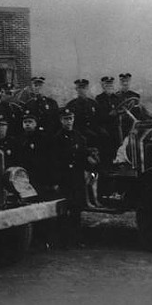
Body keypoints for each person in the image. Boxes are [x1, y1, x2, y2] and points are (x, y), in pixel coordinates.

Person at [52, 107, 90, 249]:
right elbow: (55, 161)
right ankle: (63, 241)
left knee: (76, 210)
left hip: (77, 178)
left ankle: (76, 239)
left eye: (71, 119)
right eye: (66, 119)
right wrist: (56, 181)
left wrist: (87, 170)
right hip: (64, 179)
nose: (69, 122)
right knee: (64, 210)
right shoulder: (57, 138)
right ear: (61, 120)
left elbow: (83, 156)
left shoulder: (79, 137)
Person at [17, 109, 53, 194]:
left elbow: (50, 159)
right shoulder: (19, 139)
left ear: (35, 124)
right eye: (25, 122)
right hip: (26, 177)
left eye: (30, 122)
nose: (27, 124)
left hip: (41, 176)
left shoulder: (43, 138)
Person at [94, 76, 121, 166]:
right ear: (103, 86)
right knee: (106, 153)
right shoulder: (99, 99)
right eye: (107, 84)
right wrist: (108, 115)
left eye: (110, 84)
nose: (109, 86)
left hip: (116, 129)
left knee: (117, 151)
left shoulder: (116, 98)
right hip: (104, 130)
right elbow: (97, 117)